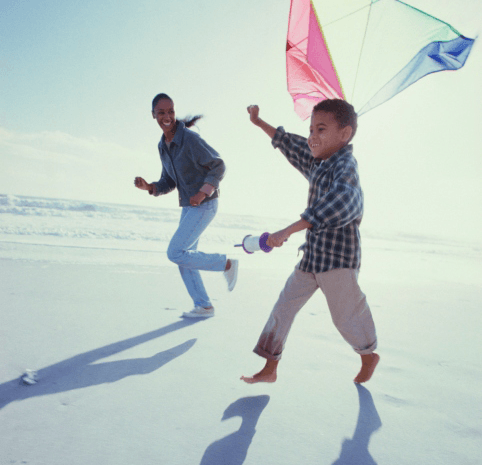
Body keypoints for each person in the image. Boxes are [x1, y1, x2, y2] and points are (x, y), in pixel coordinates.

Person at [241, 99, 379, 384]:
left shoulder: (346, 166)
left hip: (338, 259)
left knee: (345, 316)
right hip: (313, 256)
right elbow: (290, 145)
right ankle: (270, 367)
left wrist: (288, 230)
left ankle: (367, 354)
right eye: (311, 129)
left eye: (321, 129)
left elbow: (341, 203)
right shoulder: (319, 162)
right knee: (284, 307)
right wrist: (259, 122)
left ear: (344, 134)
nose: (312, 137)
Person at [134, 93, 238, 318]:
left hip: (206, 204)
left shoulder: (189, 139)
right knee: (184, 257)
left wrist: (203, 192)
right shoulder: (163, 146)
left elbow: (218, 166)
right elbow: (169, 181)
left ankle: (226, 264)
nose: (167, 116)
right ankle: (204, 306)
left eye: (170, 111)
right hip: (189, 207)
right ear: (153, 115)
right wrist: (149, 187)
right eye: (161, 112)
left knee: (176, 252)